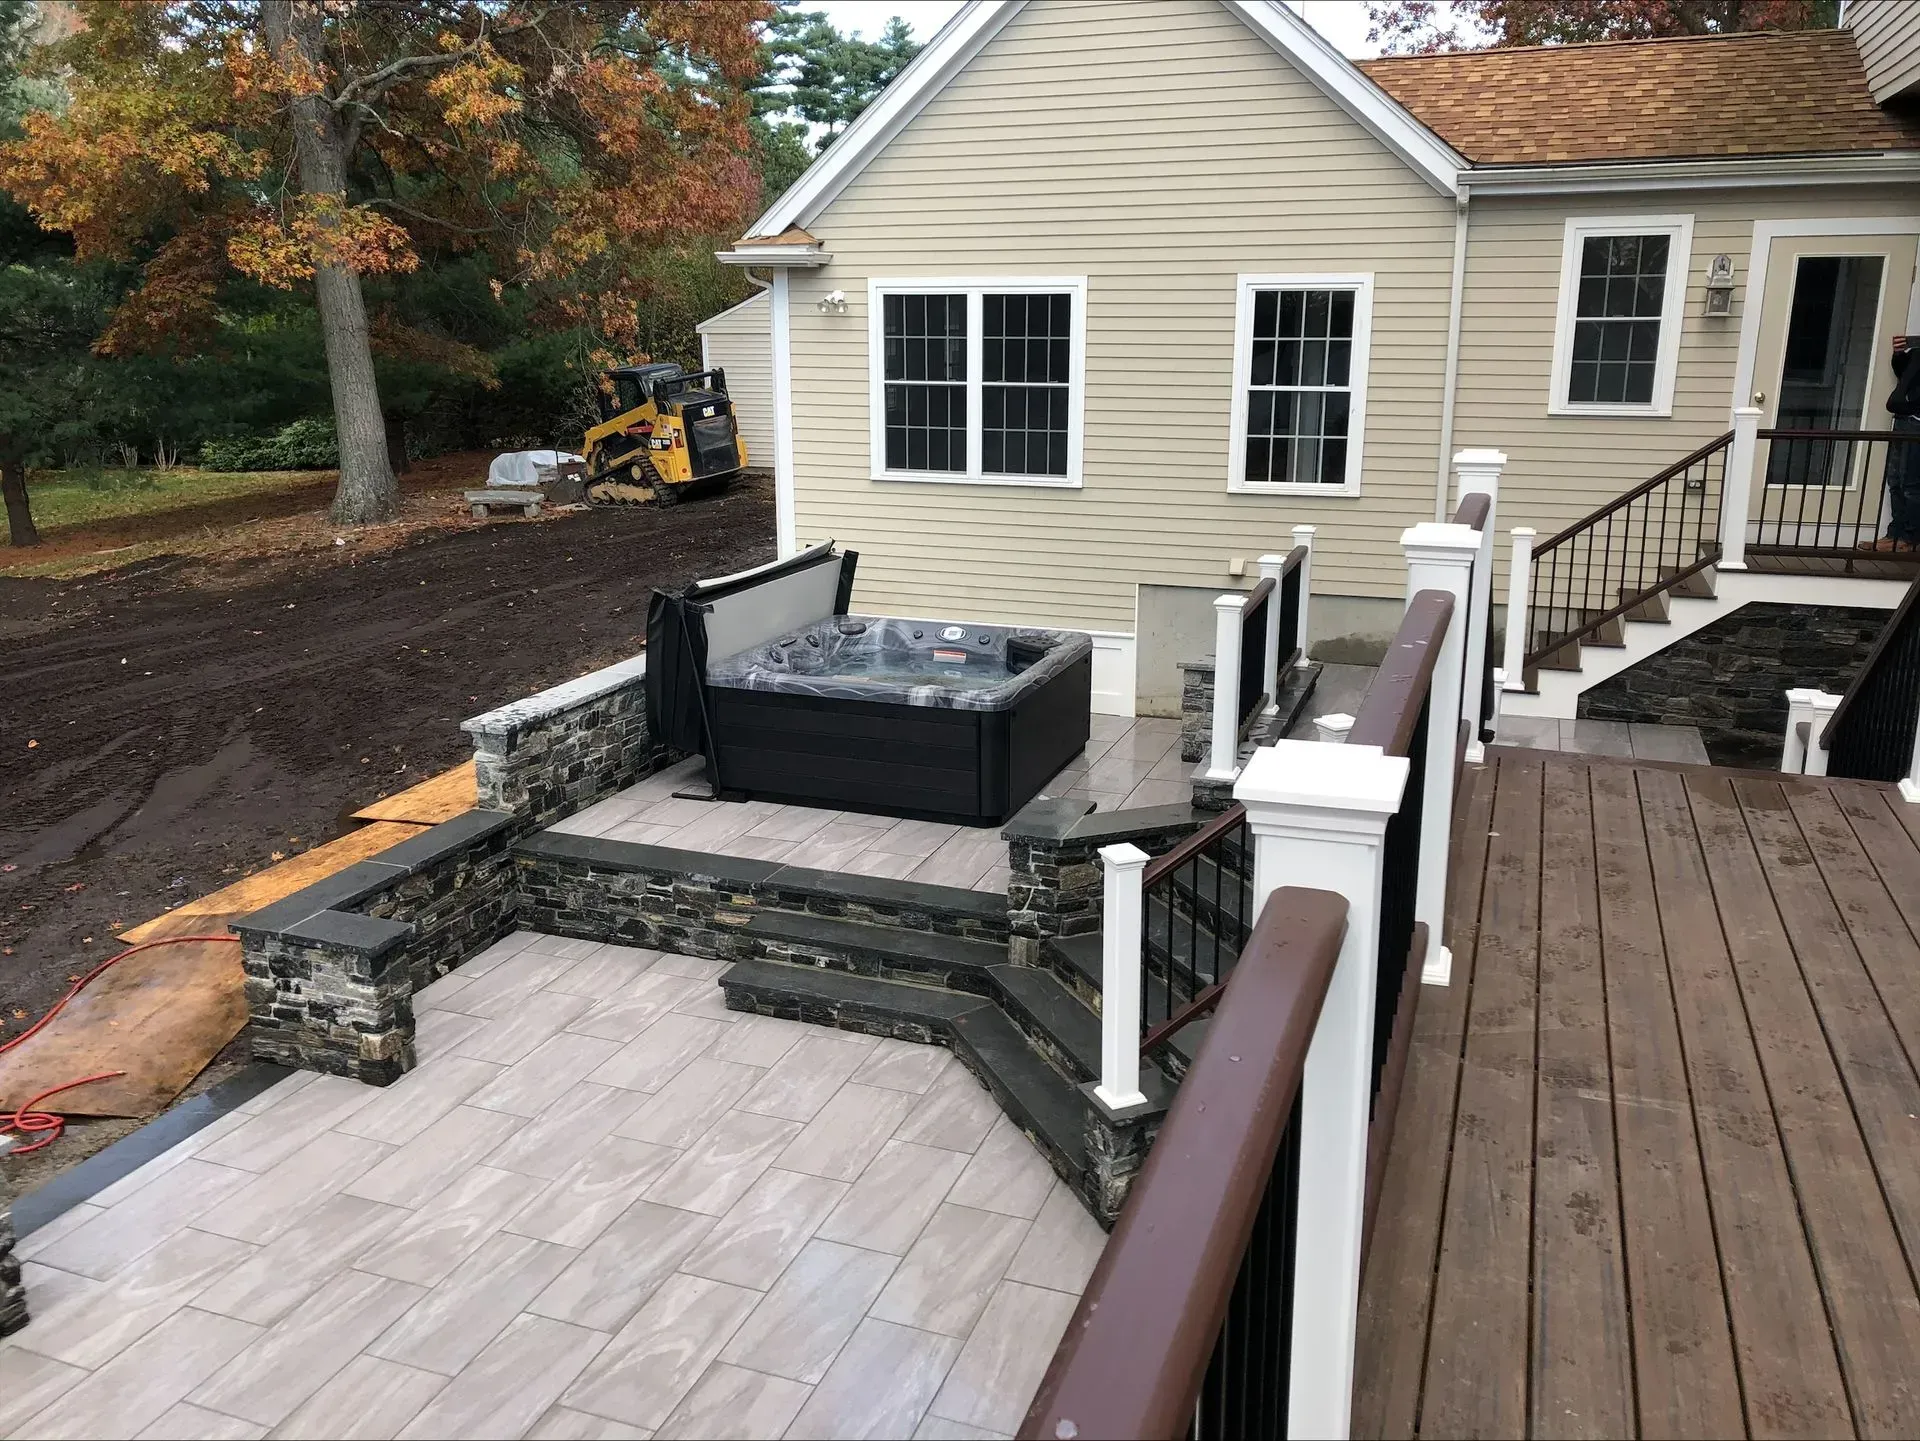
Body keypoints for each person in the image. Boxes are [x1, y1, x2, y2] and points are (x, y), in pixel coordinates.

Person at [1867, 333, 1920, 552]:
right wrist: (1899, 355)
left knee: (1911, 484)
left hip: (1917, 421)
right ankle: (1894, 534)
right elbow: (1904, 375)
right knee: (1896, 479)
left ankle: (1910, 539)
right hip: (1903, 419)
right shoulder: (1917, 351)